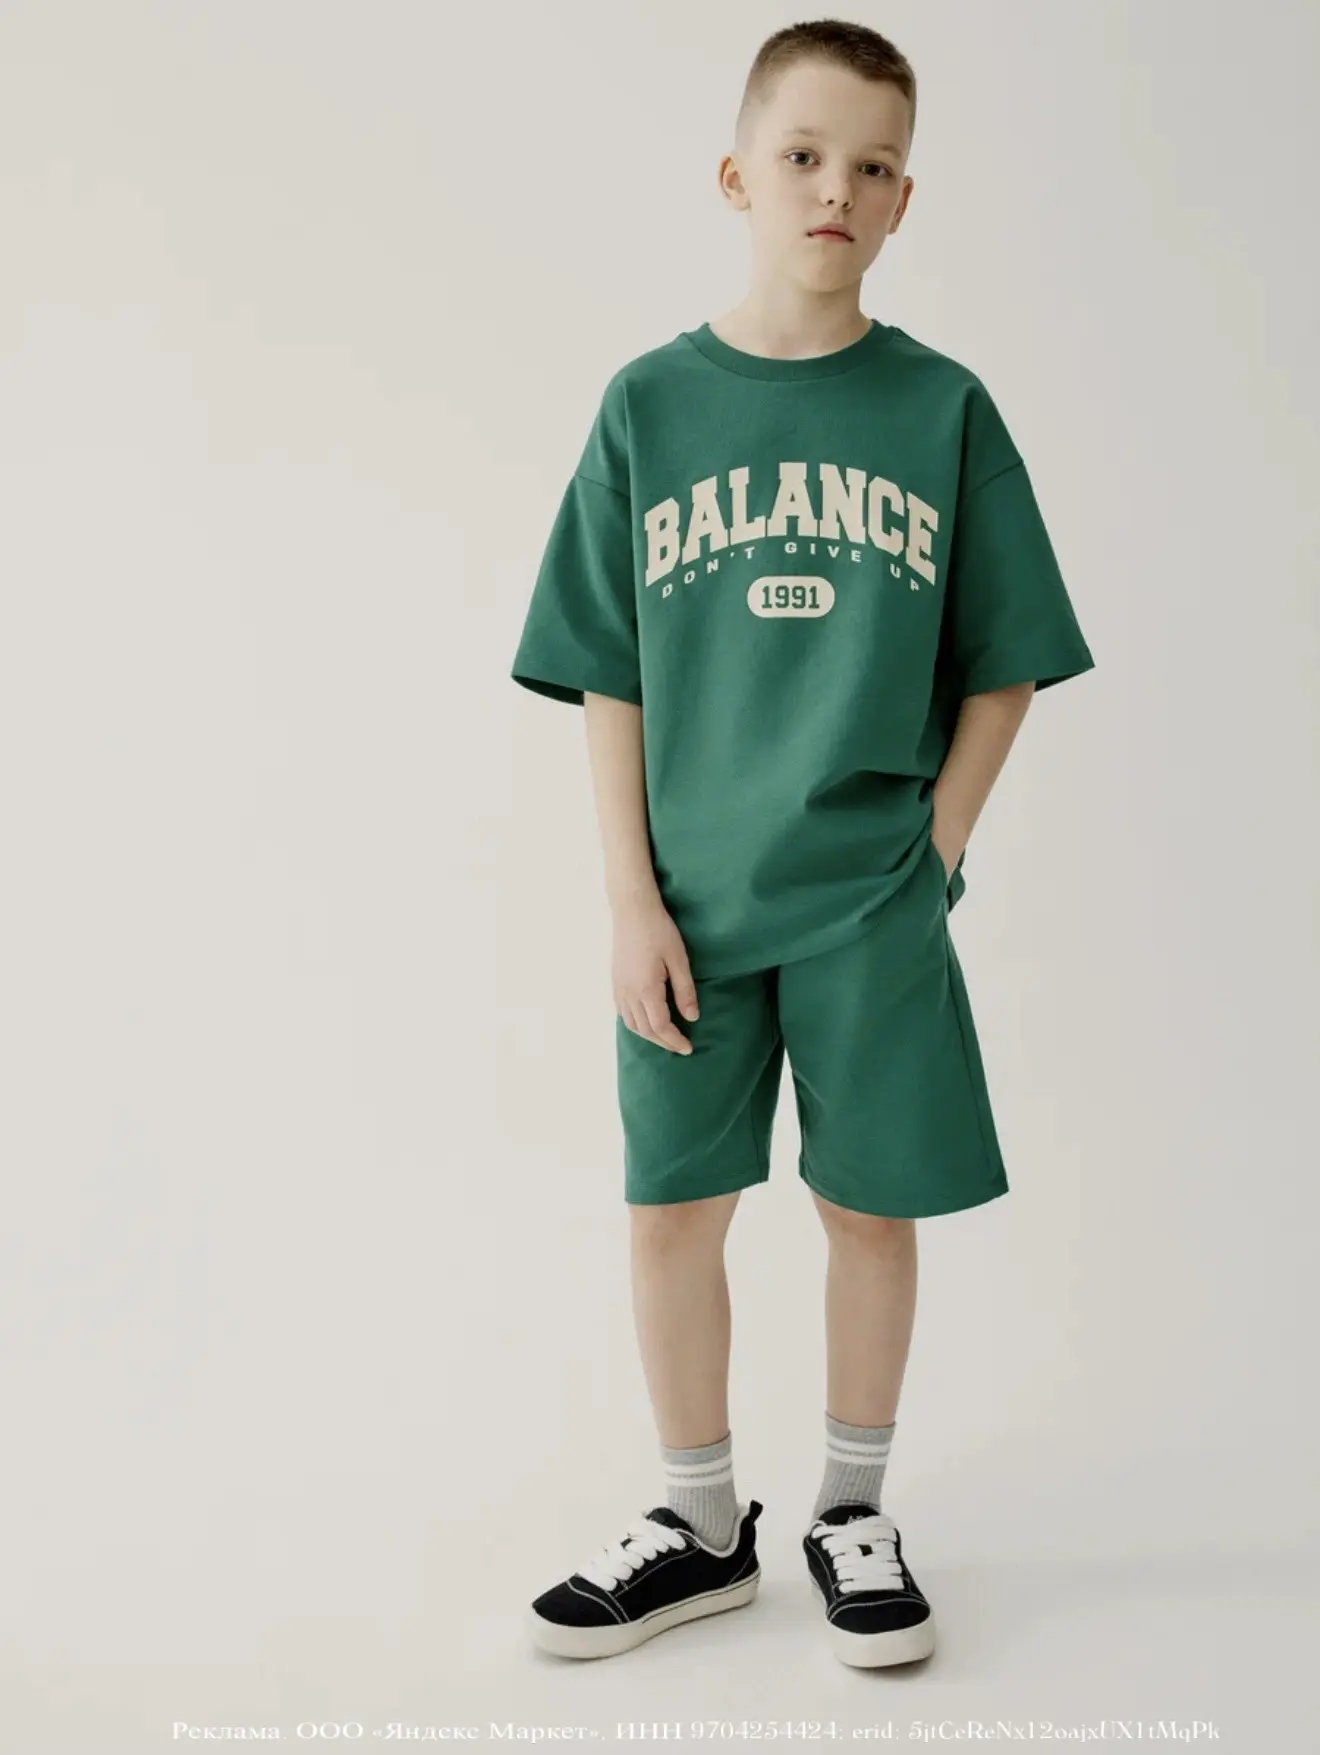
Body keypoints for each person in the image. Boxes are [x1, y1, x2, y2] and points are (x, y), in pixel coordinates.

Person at [509, 19, 1095, 1669]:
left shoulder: (942, 408)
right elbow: (608, 671)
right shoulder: (650, 404)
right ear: (736, 177)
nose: (837, 187)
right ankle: (700, 1525)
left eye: (873, 165)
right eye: (804, 155)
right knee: (672, 1208)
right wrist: (628, 899)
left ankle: (852, 1508)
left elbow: (1004, 659)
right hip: (689, 904)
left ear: (905, 200)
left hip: (869, 902)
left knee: (867, 1207)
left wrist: (938, 852)